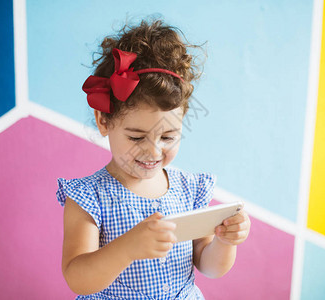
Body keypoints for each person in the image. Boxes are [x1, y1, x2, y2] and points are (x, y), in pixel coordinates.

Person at [56, 18, 251, 300]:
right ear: (103, 121)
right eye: (136, 137)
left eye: (168, 137)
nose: (154, 152)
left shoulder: (188, 189)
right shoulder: (89, 197)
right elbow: (77, 279)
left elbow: (208, 266)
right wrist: (128, 247)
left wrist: (225, 241)